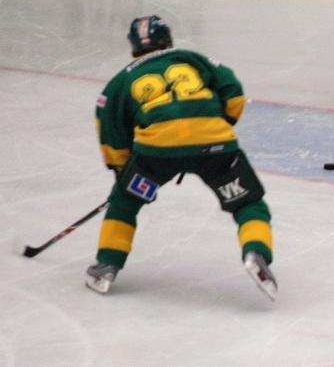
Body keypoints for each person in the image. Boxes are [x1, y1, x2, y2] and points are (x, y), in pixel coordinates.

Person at [87, 15, 277, 298]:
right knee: (248, 204)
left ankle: (106, 266)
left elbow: (109, 128)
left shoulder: (121, 80)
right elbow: (234, 94)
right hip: (216, 147)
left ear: (134, 46)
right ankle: (255, 253)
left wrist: (122, 170)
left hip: (157, 154)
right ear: (168, 40)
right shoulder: (192, 59)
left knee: (124, 203)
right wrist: (216, 125)